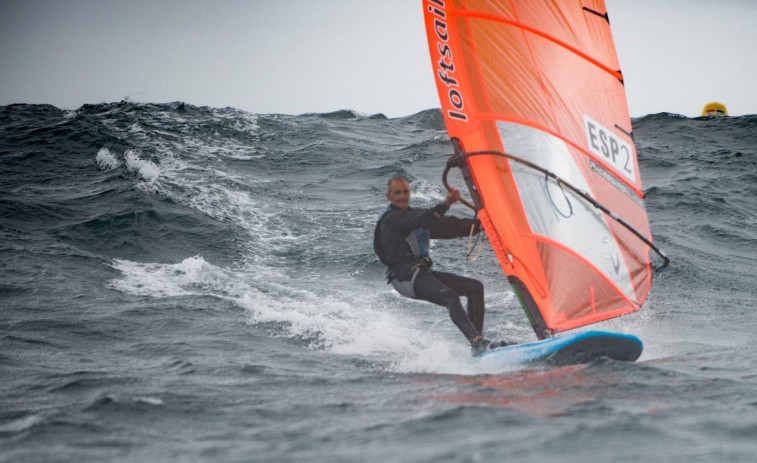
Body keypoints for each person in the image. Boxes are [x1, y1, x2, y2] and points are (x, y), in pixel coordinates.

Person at [373, 177, 506, 356]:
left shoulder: (415, 218)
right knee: (450, 296)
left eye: (405, 192)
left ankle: (478, 344)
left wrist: (480, 226)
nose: (402, 196)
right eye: (397, 193)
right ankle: (477, 342)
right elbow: (421, 218)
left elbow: (450, 227)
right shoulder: (392, 220)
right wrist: (445, 204)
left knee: (475, 288)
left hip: (422, 273)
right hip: (404, 277)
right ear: (388, 196)